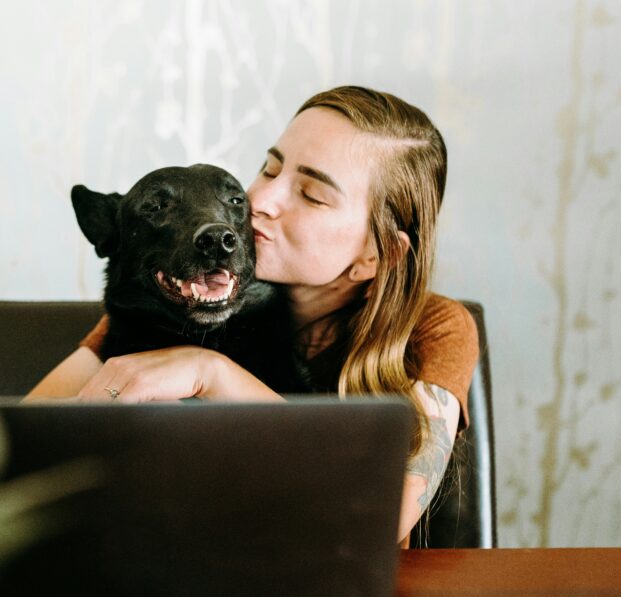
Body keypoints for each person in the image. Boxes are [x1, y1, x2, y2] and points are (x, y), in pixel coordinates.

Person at [28, 85, 479, 545]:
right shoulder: (179, 304)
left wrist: (209, 372)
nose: (260, 201)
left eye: (311, 194)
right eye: (269, 168)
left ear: (374, 255)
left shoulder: (434, 328)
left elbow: (380, 517)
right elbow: (19, 445)